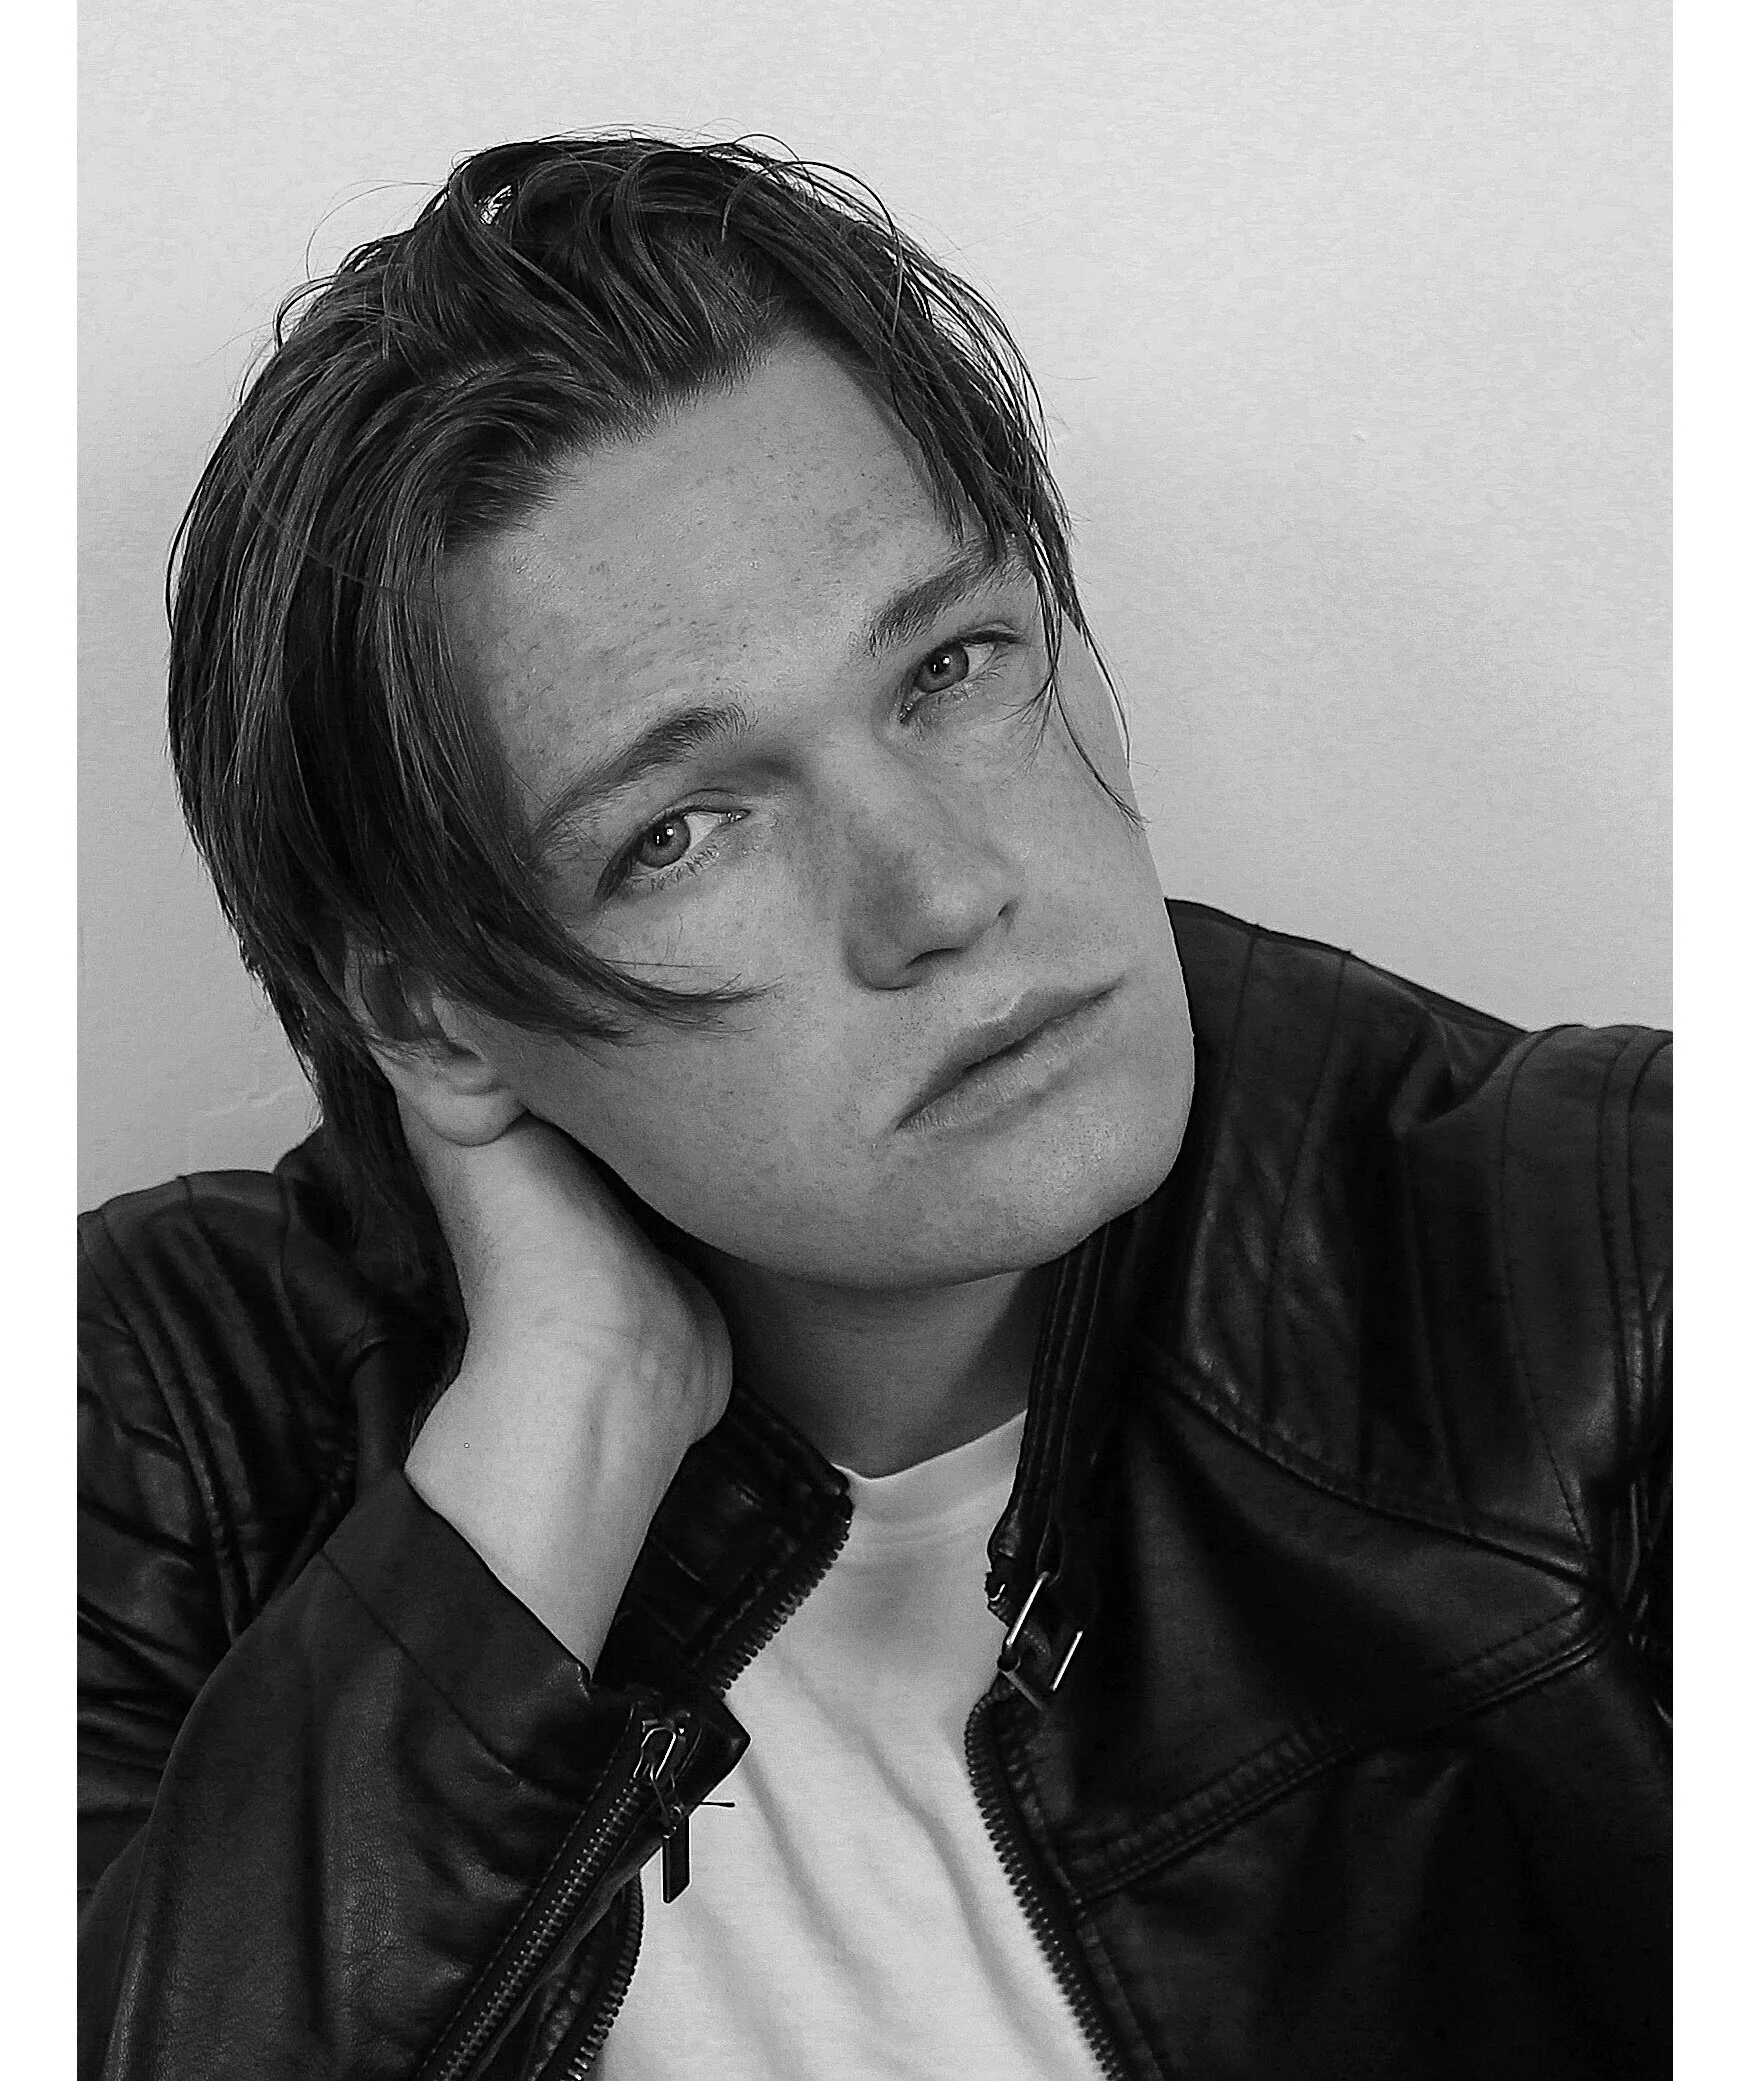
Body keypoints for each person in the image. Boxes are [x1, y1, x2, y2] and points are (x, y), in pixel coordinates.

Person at [77, 134, 1671, 2081]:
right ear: (438, 1016)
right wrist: (562, 1418)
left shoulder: (1613, 1268)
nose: (940, 893)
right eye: (681, 828)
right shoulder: (153, 1442)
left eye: (950, 666)